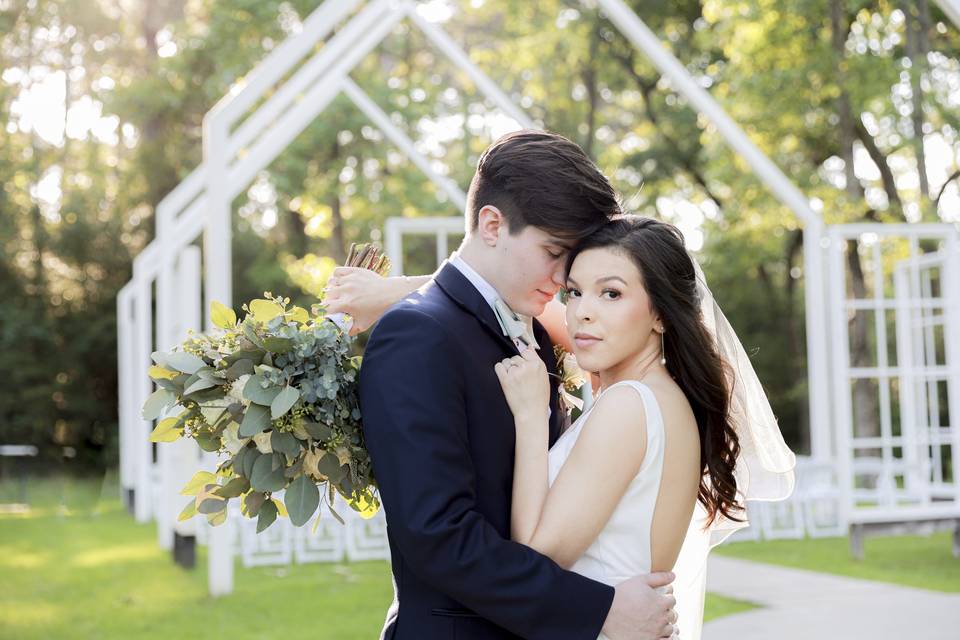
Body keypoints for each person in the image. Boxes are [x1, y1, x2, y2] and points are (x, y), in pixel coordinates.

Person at [353, 131, 679, 640]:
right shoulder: (418, 334)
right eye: (554, 251)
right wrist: (599, 611)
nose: (562, 275)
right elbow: (436, 535)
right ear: (491, 225)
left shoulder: (536, 334)